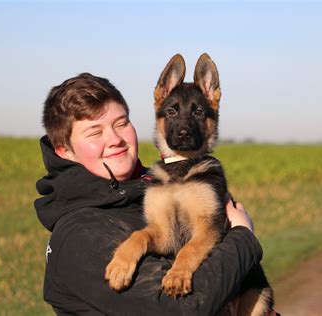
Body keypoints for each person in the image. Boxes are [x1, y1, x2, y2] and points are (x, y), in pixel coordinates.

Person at [35, 72, 265, 315]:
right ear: (64, 151)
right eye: (94, 132)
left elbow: (166, 236)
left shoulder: (141, 186)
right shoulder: (79, 235)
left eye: (121, 123)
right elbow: (180, 309)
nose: (115, 139)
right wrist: (243, 236)